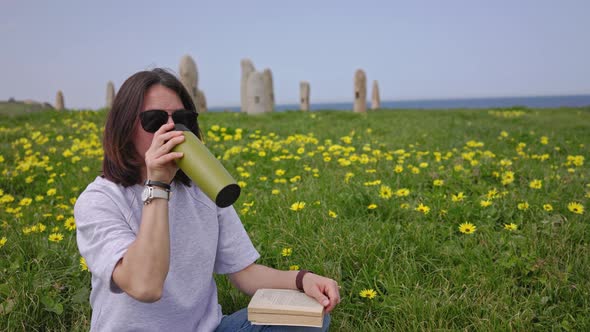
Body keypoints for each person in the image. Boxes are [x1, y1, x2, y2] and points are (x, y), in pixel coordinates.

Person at [74, 68, 340, 331]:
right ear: (124, 127)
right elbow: (145, 286)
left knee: (309, 318)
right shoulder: (99, 201)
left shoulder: (203, 188)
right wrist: (158, 184)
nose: (170, 129)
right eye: (154, 120)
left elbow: (244, 273)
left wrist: (302, 280)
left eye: (182, 119)